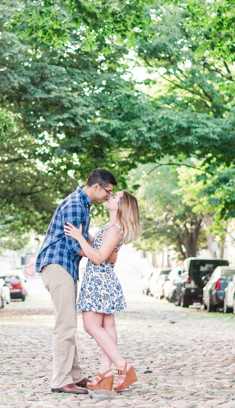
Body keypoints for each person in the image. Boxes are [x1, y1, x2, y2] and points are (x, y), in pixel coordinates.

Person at [35, 168, 119, 395]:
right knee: (65, 325)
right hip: (58, 265)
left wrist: (102, 249)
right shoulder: (74, 204)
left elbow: (83, 239)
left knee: (68, 321)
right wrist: (100, 255)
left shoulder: (83, 205)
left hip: (66, 268)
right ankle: (61, 379)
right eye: (108, 192)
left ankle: (75, 375)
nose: (108, 197)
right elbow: (75, 245)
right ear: (96, 186)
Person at [64, 190, 142, 392]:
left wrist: (79, 238)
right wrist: (87, 237)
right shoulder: (110, 227)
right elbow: (101, 252)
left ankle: (124, 367)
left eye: (115, 197)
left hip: (99, 280)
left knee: (91, 326)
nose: (110, 197)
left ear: (121, 206)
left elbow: (98, 257)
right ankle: (104, 374)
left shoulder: (115, 229)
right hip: (100, 279)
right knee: (107, 327)